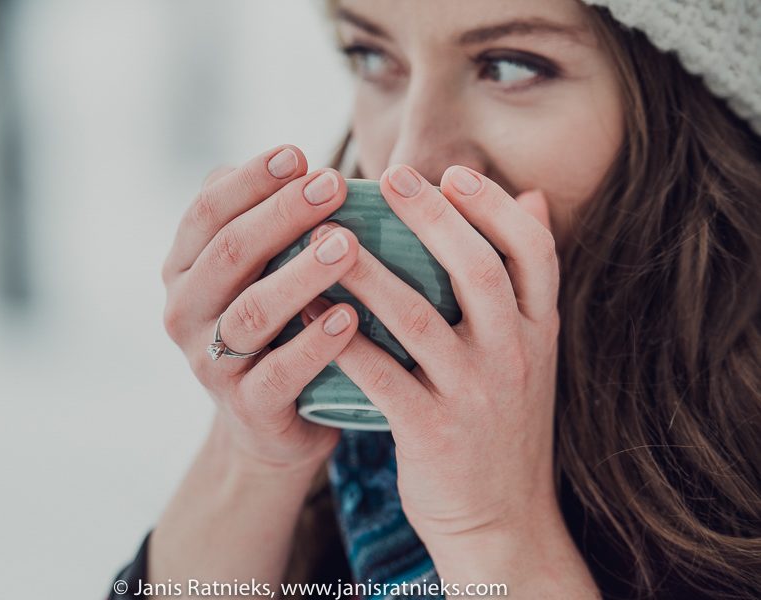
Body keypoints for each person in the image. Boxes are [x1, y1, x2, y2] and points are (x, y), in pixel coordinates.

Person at [108, 0, 761, 598]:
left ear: (687, 104)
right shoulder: (351, 429)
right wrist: (253, 457)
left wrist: (492, 530)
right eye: (372, 55)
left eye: (510, 65)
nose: (407, 158)